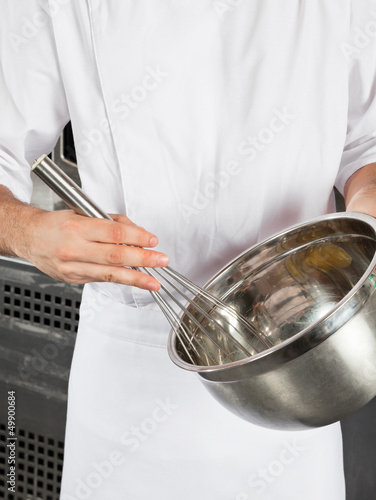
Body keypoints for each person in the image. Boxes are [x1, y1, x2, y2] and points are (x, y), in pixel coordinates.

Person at [1, 1, 376, 498]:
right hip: (129, 371)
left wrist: (366, 220)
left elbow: (366, 144)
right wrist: (27, 231)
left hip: (300, 357)